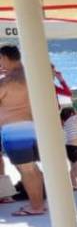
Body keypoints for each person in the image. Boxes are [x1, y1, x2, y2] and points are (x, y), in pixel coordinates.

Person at [0, 45, 45, 215]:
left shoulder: (8, 81)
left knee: (26, 170)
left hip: (14, 130)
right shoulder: (32, 75)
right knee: (32, 169)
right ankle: (39, 203)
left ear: (4, 57)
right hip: (34, 126)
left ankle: (36, 206)